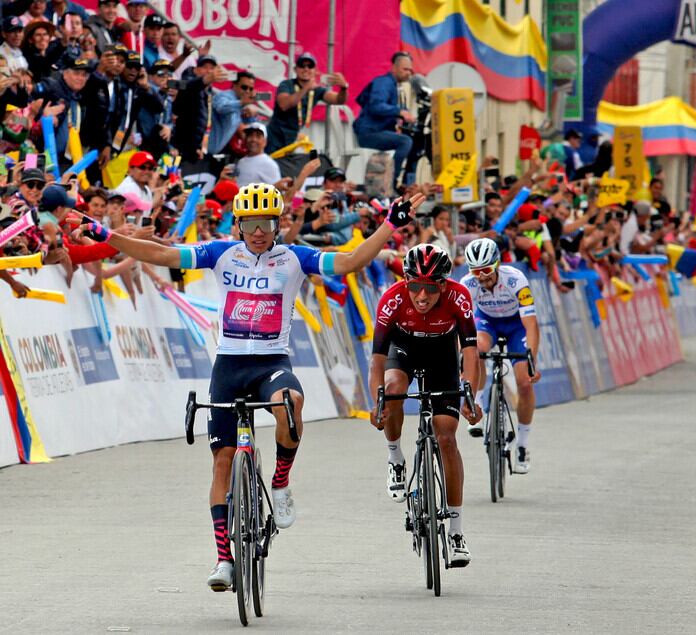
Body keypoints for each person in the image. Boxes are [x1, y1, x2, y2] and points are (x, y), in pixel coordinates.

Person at [75, 182, 425, 591]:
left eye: (268, 222)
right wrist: (106, 236)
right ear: (238, 223)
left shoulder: (294, 257)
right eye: (252, 222)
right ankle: (223, 559)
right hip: (229, 366)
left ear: (278, 224)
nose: (260, 231)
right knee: (222, 462)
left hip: (272, 363)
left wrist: (387, 225)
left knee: (291, 402)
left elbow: (349, 261)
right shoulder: (221, 253)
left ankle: (279, 482)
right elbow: (162, 254)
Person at [368, 243, 481, 568]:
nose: (420, 296)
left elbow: (470, 353)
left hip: (442, 353)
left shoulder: (459, 297)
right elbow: (377, 359)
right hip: (402, 348)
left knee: (446, 436)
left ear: (443, 285)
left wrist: (469, 393)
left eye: (430, 289)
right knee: (392, 390)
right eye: (414, 286)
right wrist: (378, 400)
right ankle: (395, 457)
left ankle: (456, 532)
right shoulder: (392, 298)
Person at [460, 237, 541, 473]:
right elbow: (463, 329)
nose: (482, 277)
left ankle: (523, 444)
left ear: (496, 264)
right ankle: (477, 403)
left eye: (486, 270)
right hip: (488, 322)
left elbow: (531, 325)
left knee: (524, 382)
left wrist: (531, 360)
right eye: (476, 271)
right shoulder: (468, 284)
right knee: (476, 350)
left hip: (516, 325)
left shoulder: (516, 280)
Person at [353, 51, 417, 193]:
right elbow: (376, 105)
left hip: (377, 131)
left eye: (410, 70)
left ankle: (405, 183)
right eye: (405, 69)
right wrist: (399, 112)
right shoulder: (383, 82)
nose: (408, 73)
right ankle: (391, 183)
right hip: (369, 134)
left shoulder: (393, 85)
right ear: (393, 68)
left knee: (411, 140)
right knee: (404, 142)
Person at [265, 51, 347, 154]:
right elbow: (284, 105)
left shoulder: (317, 90)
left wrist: (344, 87)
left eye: (310, 66)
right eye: (302, 65)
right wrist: (306, 88)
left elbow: (339, 100)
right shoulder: (286, 84)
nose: (306, 69)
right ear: (295, 69)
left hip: (293, 139)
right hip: (274, 136)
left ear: (315, 70)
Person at [235, 123, 280, 187]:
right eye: (250, 135)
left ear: (265, 142)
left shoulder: (270, 164)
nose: (253, 140)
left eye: (258, 136)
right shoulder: (241, 161)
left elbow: (277, 192)